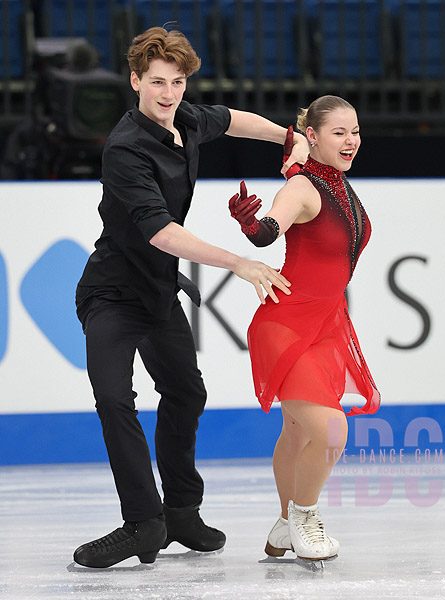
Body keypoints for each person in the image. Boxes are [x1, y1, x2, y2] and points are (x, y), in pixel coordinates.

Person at [72, 26, 309, 569]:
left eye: (177, 82)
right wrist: (239, 261)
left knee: (186, 393)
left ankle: (180, 512)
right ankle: (142, 521)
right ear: (135, 81)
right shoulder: (125, 147)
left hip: (157, 291)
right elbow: (160, 231)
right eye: (157, 82)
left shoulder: (185, 120)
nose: (169, 93)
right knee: (114, 399)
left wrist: (285, 138)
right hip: (112, 293)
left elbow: (230, 119)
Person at [229, 95, 380, 563]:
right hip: (286, 325)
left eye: (354, 131)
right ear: (313, 136)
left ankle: (282, 525)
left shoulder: (334, 182)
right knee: (332, 429)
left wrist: (296, 158)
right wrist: (252, 223)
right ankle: (304, 514)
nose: (350, 140)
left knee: (297, 434)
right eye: (339, 132)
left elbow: (298, 162)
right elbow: (269, 229)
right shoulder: (303, 188)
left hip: (327, 324)